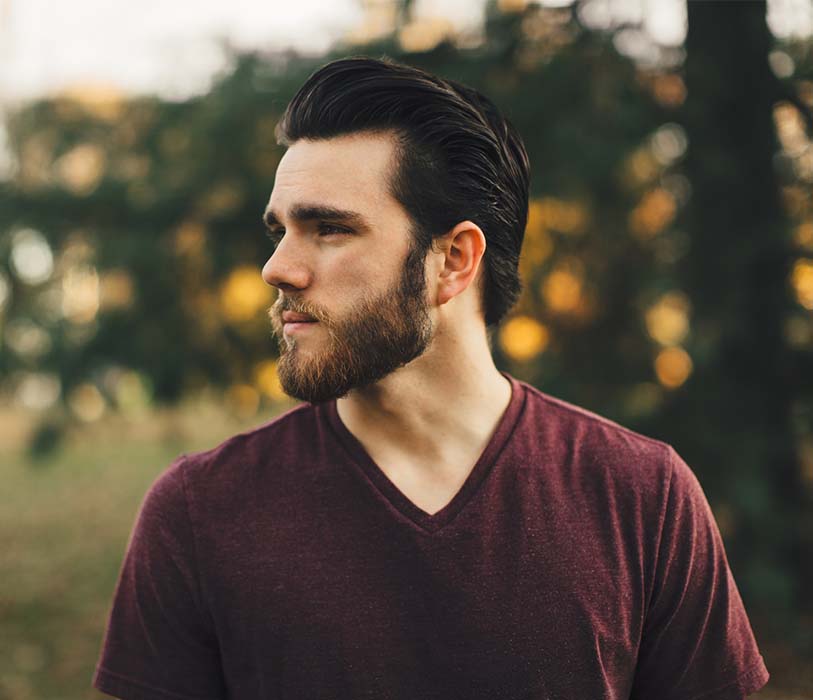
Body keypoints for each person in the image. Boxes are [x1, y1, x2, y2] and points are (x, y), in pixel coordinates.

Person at [93, 56, 769, 700]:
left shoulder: (642, 497)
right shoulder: (199, 512)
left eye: (328, 229)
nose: (277, 268)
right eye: (280, 231)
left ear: (452, 260)